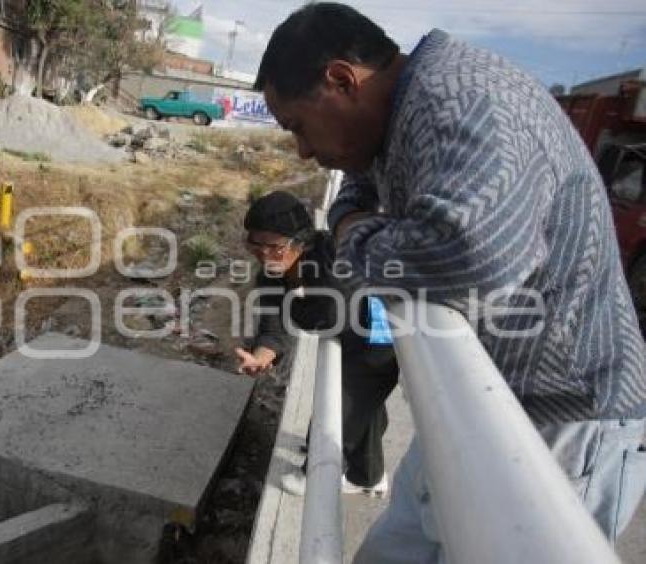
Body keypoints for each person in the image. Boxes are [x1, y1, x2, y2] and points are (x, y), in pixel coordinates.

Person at [254, 2, 646, 561]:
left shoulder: (462, 104)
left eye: (297, 126)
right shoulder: (395, 113)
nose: (304, 150)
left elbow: (467, 261)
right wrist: (354, 222)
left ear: (342, 79)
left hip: (565, 420)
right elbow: (355, 189)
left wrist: (356, 239)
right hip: (486, 397)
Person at [235, 190, 398, 496]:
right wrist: (261, 355)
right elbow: (273, 319)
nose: (264, 255)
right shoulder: (274, 270)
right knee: (365, 405)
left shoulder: (333, 262)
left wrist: (295, 305)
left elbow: (326, 317)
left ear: (302, 242)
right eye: (254, 245)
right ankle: (369, 477)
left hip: (378, 335)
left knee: (347, 405)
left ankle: (318, 472)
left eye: (274, 247)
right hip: (355, 329)